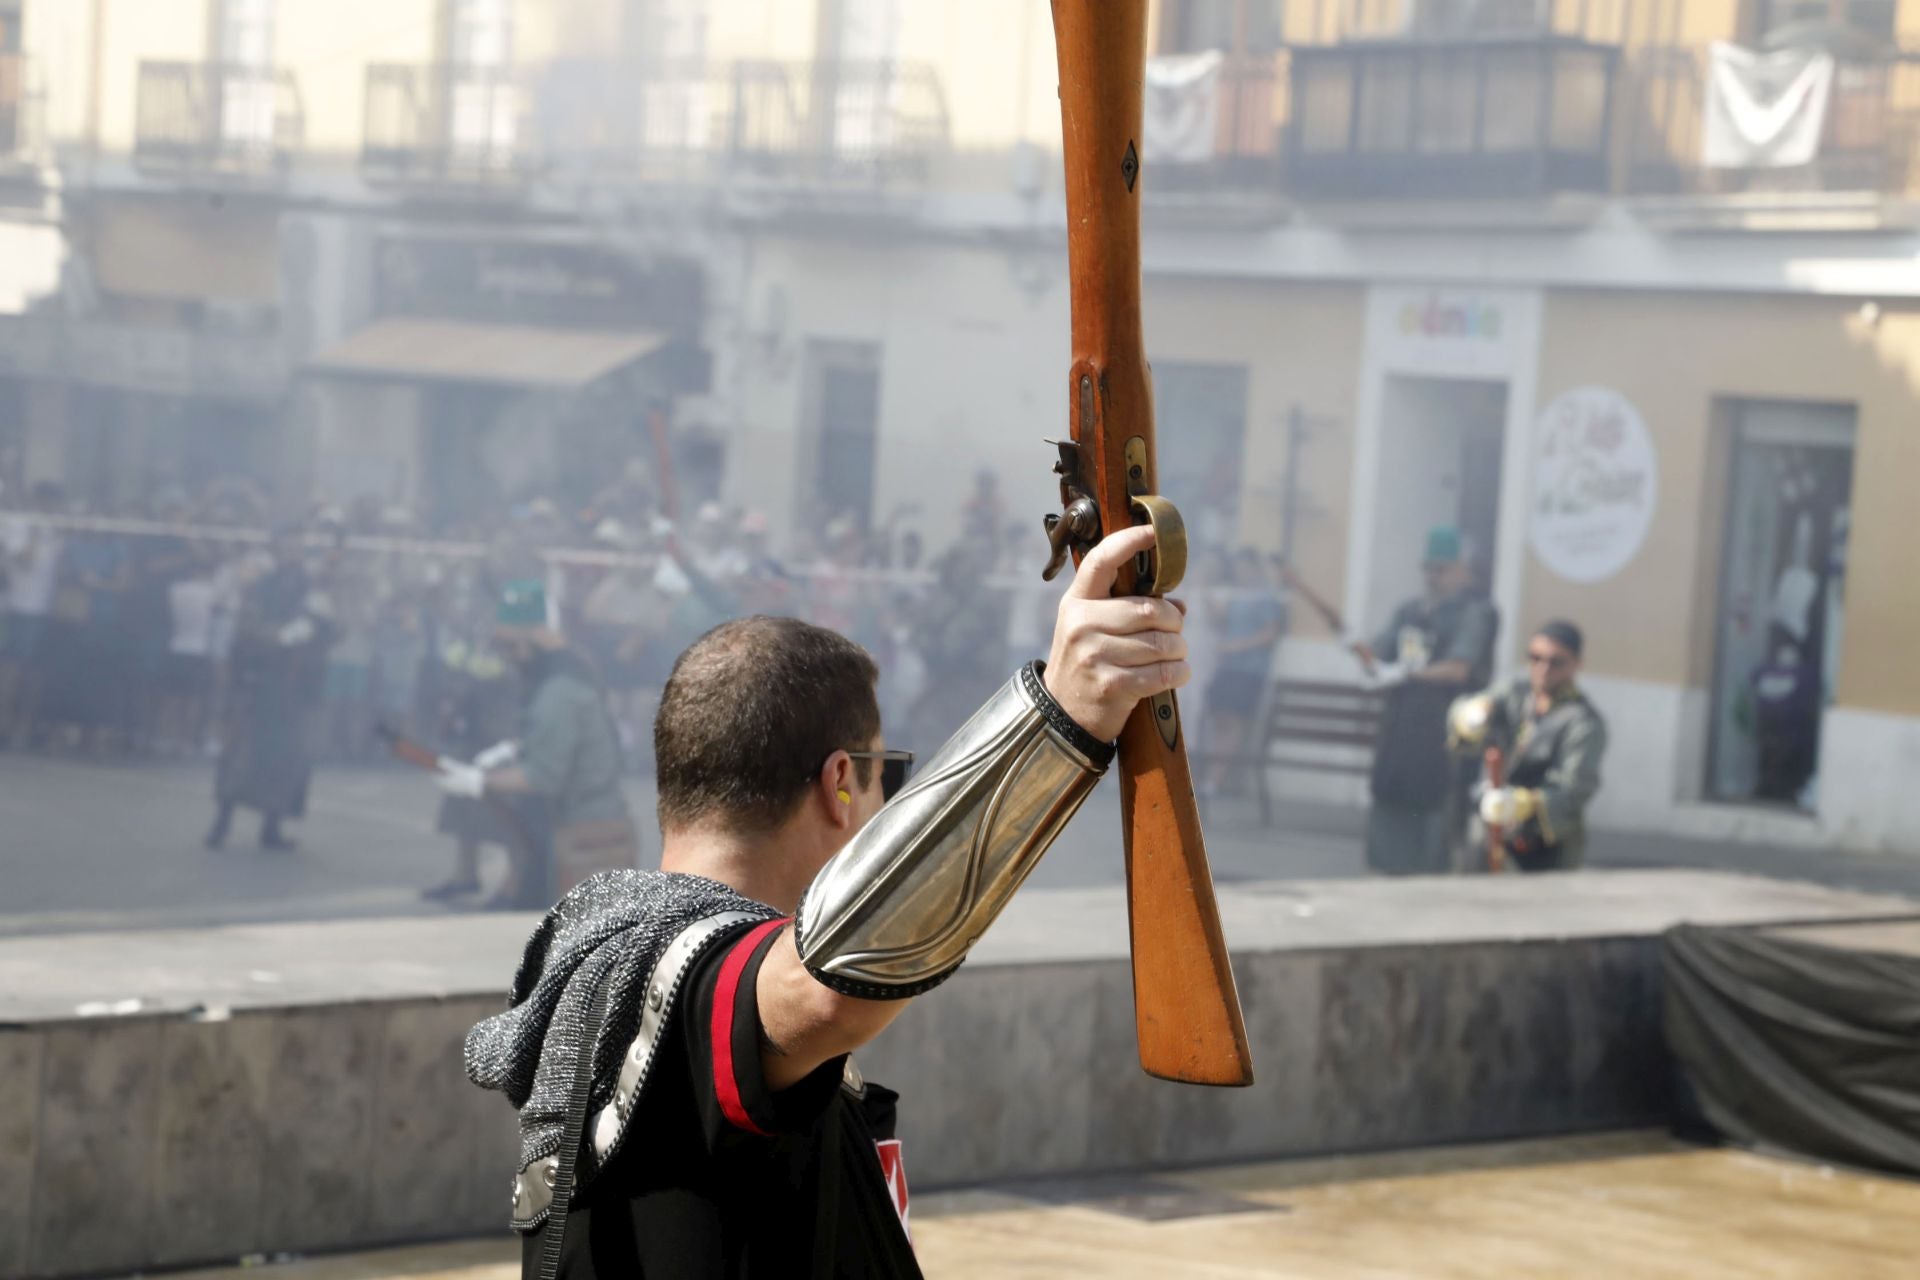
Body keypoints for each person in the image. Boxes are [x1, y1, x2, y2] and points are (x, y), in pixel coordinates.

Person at [463, 524, 1183, 1280]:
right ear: (840, 782)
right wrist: (1062, 715)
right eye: (883, 775)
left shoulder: (617, 949)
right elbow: (827, 990)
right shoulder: (680, 969)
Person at [435, 580, 638, 910]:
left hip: (581, 830)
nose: (508, 656)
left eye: (510, 645)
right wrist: (515, 748)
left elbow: (542, 776)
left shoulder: (559, 689)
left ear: (539, 634)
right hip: (576, 822)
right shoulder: (566, 670)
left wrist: (476, 780)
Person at [1352, 526, 1498, 875]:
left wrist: (1406, 674)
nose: (1433, 576)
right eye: (1429, 569)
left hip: (1445, 727)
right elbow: (1378, 654)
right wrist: (1355, 646)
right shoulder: (1410, 610)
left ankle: (1429, 875)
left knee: (1434, 802)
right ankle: (1388, 867)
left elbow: (1459, 669)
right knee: (1391, 792)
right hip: (1401, 722)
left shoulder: (1476, 611)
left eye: (1441, 569)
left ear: (1463, 570)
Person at [208, 526, 336, 852]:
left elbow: (331, 632)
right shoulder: (260, 588)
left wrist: (318, 626)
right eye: (286, 547)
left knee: (286, 757)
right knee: (239, 756)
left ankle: (272, 826)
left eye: (297, 547)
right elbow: (248, 629)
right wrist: (283, 637)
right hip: (258, 682)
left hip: (294, 689)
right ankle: (221, 823)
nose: (292, 553)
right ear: (276, 550)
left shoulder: (313, 591)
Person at [1448, 619, 1607, 872]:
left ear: (1576, 664)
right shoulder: (1515, 693)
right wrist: (1469, 714)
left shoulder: (1583, 721)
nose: (1543, 669)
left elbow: (1575, 787)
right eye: (1535, 658)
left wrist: (1522, 804)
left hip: (1544, 845)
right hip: (1489, 832)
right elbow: (1477, 707)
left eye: (1556, 662)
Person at [1199, 548, 1288, 797]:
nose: (1240, 573)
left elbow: (1270, 633)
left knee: (1234, 721)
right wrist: (1205, 593)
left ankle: (1215, 780)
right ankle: (1213, 778)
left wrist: (1236, 646)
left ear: (1255, 568)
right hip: (1226, 667)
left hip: (1249, 670)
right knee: (1219, 719)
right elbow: (1222, 621)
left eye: (1244, 568)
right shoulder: (1237, 596)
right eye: (1237, 569)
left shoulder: (1266, 597)